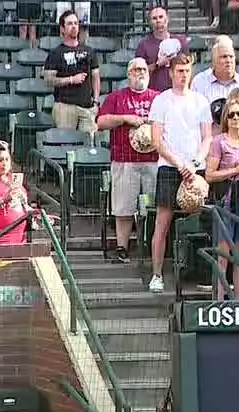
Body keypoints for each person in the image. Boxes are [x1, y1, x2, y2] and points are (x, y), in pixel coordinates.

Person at [147, 53, 212, 294]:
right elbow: (157, 140)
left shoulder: (201, 101)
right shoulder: (161, 101)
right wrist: (178, 163)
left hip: (196, 169)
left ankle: (204, 275)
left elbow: (207, 138)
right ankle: (156, 275)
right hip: (168, 167)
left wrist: (194, 164)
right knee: (162, 223)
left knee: (203, 223)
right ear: (171, 73)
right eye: (179, 71)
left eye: (187, 70)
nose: (183, 75)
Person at [96, 56, 160, 263]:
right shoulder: (117, 97)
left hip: (153, 159)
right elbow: (101, 121)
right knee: (123, 207)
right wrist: (124, 118)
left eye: (143, 69)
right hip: (125, 160)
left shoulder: (158, 98)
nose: (140, 73)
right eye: (135, 70)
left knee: (153, 207)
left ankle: (151, 246)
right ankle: (122, 247)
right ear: (128, 74)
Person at [206, 88, 239, 300]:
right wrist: (235, 170)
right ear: (226, 117)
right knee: (223, 254)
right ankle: (219, 300)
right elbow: (210, 175)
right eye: (232, 114)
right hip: (226, 199)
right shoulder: (218, 141)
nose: (236, 118)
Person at [43, 9, 99, 134]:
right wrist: (71, 79)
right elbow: (48, 80)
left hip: (87, 107)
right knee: (66, 145)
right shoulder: (56, 53)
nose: (73, 26)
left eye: (75, 23)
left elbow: (96, 76)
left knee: (89, 146)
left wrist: (96, 101)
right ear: (62, 28)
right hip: (65, 107)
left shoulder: (89, 51)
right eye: (69, 24)